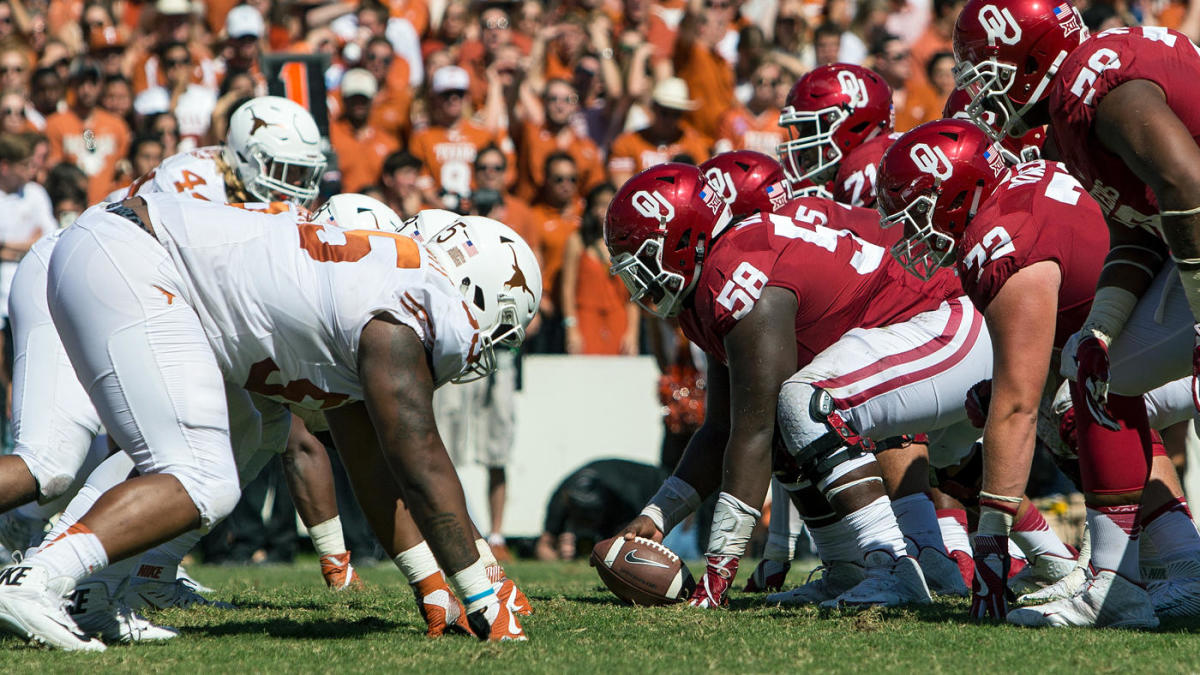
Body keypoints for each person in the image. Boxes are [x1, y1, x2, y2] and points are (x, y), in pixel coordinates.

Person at [0, 196, 540, 651]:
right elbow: (419, 462)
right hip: (132, 259)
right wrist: (483, 594)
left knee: (236, 438)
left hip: (128, 254)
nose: (484, 353)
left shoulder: (381, 289)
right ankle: (38, 578)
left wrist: (431, 585)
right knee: (199, 476)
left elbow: (371, 465)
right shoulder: (410, 307)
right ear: (475, 290)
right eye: (501, 329)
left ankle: (94, 595)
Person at [606, 162, 992, 609]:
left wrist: (718, 572)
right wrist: (658, 515)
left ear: (682, 240)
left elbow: (752, 435)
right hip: (920, 331)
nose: (637, 278)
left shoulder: (739, 274)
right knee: (788, 424)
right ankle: (848, 572)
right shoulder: (707, 285)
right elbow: (721, 430)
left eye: (643, 257)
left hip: (948, 320)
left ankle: (894, 566)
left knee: (806, 405)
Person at [952, 0, 1200, 627]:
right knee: (1095, 368)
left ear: (1031, 54)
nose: (982, 88)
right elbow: (1139, 233)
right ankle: (1117, 587)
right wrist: (1104, 326)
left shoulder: (1096, 80)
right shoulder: (1069, 116)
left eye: (990, 68)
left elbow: (1187, 182)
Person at [777, 63, 893, 200]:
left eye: (812, 129)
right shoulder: (822, 181)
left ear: (855, 125)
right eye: (801, 129)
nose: (801, 144)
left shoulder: (885, 178)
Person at [537, 459, 669, 560]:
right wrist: (559, 556)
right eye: (583, 518)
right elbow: (543, 545)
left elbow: (636, 544)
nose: (587, 524)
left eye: (591, 518)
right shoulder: (561, 498)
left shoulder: (624, 498)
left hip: (662, 486)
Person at [560, 182, 637, 354]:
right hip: (586, 318)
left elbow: (633, 295)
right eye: (601, 204)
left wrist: (632, 333)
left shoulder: (626, 244)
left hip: (618, 317)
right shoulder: (577, 241)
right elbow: (567, 289)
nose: (606, 210)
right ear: (591, 208)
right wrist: (571, 328)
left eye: (611, 204)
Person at [330, 68, 399, 193]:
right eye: (354, 98)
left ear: (373, 99)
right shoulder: (330, 135)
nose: (359, 103)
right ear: (344, 99)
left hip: (376, 209)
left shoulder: (389, 143)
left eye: (364, 98)